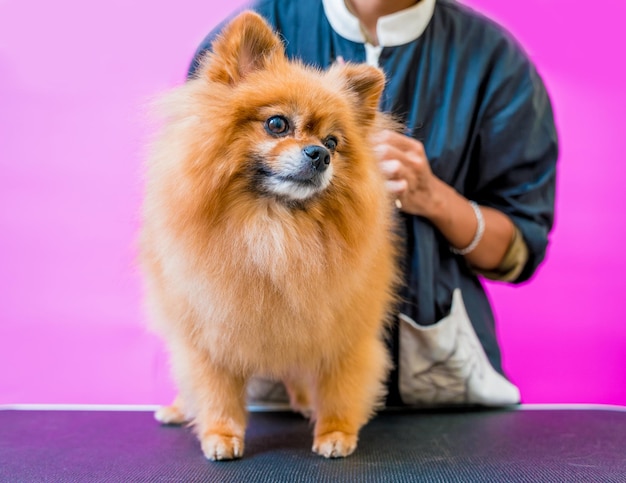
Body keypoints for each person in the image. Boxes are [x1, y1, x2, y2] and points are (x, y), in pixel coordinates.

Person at [188, 0, 558, 407]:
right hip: (271, 390)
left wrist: (434, 197)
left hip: (442, 381)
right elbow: (192, 199)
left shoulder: (492, 60)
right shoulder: (260, 30)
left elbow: (519, 249)